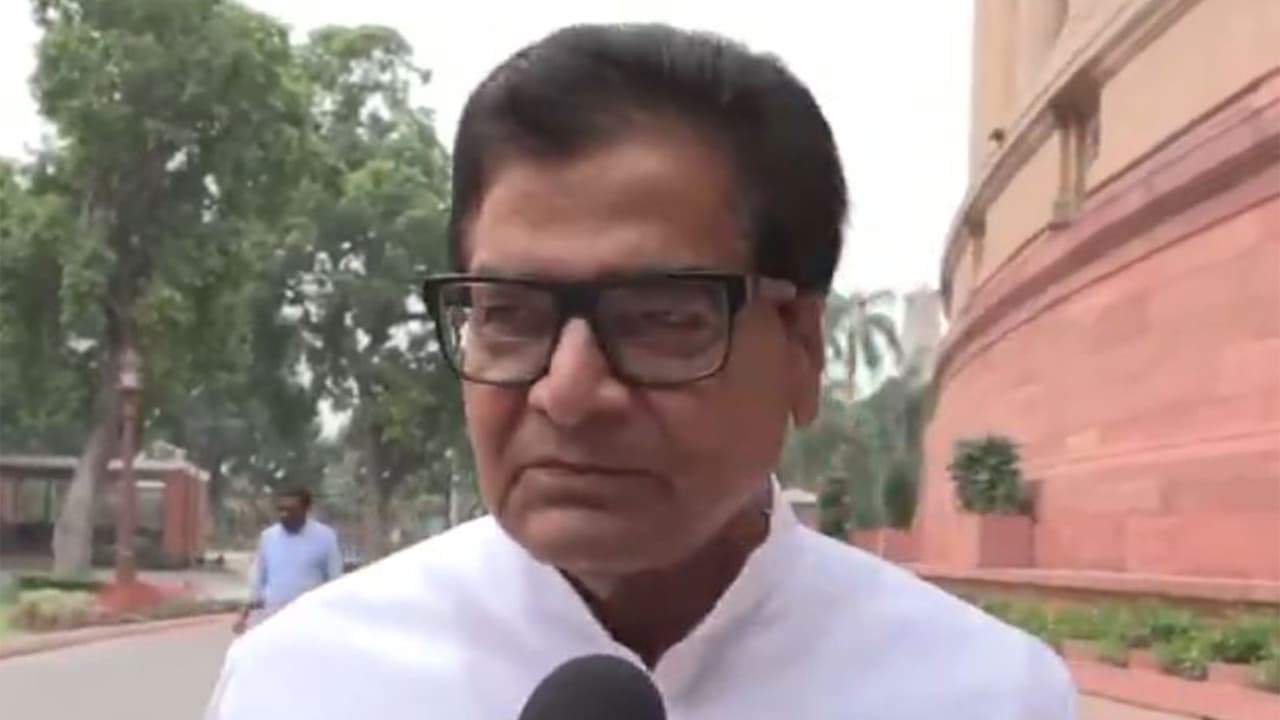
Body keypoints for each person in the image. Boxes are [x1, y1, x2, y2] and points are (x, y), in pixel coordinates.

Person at [208, 24, 1076, 718]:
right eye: (509, 315)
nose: (568, 392)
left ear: (803, 348)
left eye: (661, 318)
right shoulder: (302, 684)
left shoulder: (984, 697)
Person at [231, 486, 343, 636]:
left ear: (306, 509)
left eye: (292, 510)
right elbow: (258, 578)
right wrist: (243, 615)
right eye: (281, 510)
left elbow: (335, 580)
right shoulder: (268, 537)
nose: (284, 515)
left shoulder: (325, 537)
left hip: (310, 619)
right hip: (273, 617)